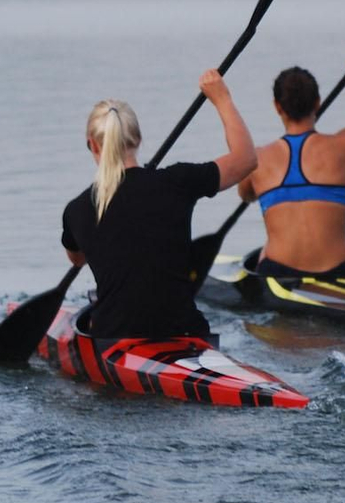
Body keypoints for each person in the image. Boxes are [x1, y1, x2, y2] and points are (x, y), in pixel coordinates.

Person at [61, 69, 256, 340]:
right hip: (187, 332)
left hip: (115, 336)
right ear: (138, 139)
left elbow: (78, 259)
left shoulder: (77, 210)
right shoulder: (178, 181)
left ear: (92, 145)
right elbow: (246, 159)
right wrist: (222, 99)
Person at [236, 50, 345, 285]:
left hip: (278, 273)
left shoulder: (256, 160)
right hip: (341, 272)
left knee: (263, 253)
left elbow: (245, 195)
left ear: (277, 107)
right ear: (317, 102)